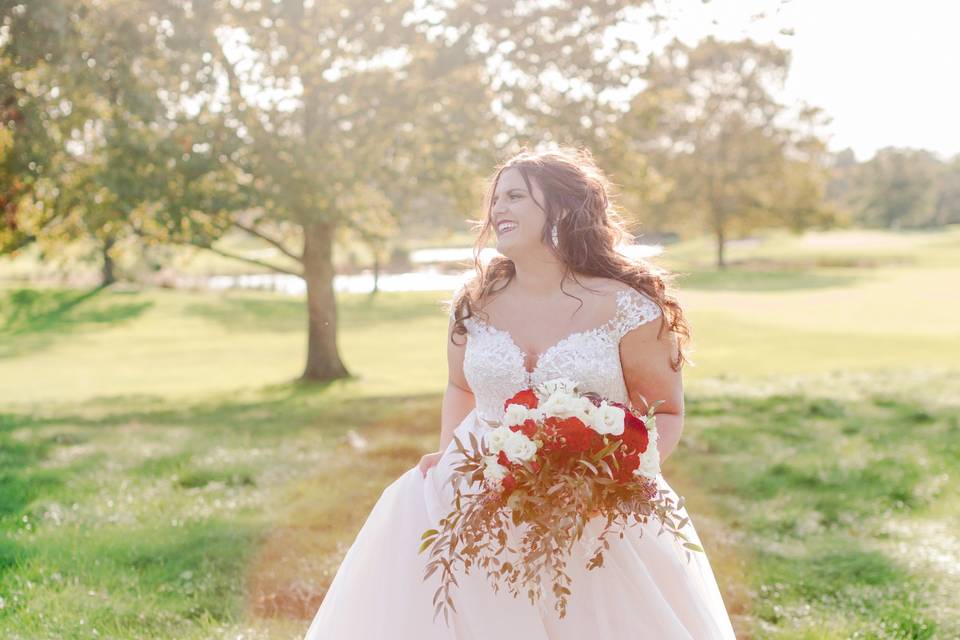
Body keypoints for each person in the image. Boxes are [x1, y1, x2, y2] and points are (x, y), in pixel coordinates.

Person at [303, 147, 737, 639]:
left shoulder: (629, 308)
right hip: (471, 495)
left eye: (514, 196)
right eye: (495, 199)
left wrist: (612, 481)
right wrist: (448, 454)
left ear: (564, 209)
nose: (496, 211)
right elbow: (460, 385)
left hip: (594, 507)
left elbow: (668, 411)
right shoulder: (474, 303)